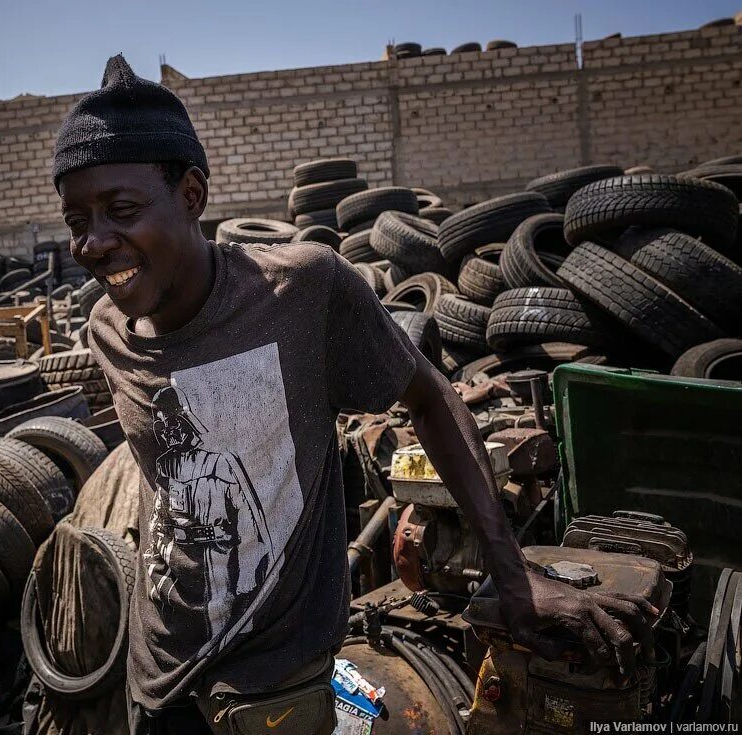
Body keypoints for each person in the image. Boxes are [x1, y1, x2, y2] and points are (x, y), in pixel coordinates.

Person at [53, 54, 656, 735]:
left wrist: (514, 578)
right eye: (77, 219)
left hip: (274, 691)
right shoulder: (108, 327)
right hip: (158, 680)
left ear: (191, 195)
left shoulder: (302, 291)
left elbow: (431, 400)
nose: (94, 242)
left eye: (120, 209)